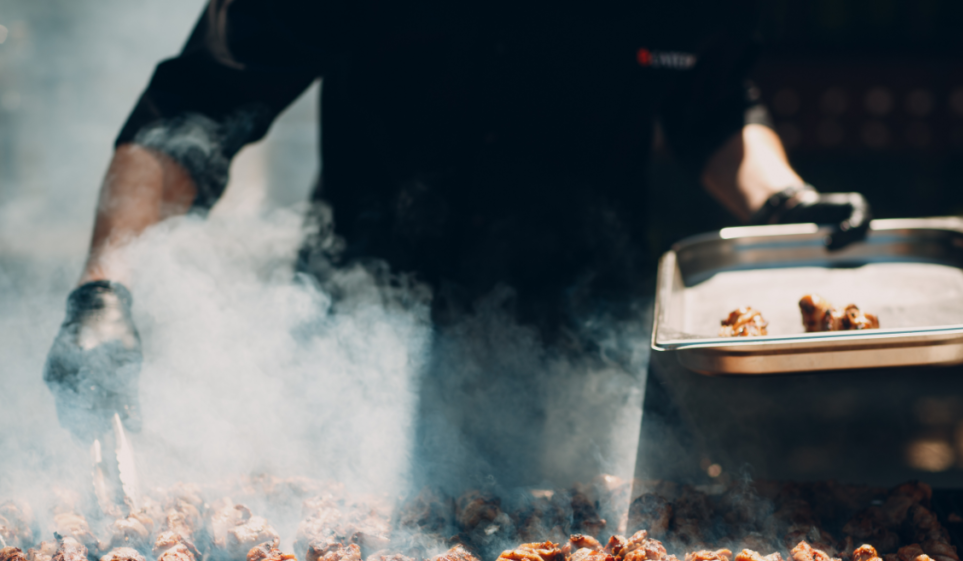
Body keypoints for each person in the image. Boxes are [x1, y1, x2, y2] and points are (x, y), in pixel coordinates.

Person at [44, 0, 871, 475]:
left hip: (581, 365)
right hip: (362, 357)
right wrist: (104, 285)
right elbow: (199, 106)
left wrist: (780, 197)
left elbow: (715, 104)